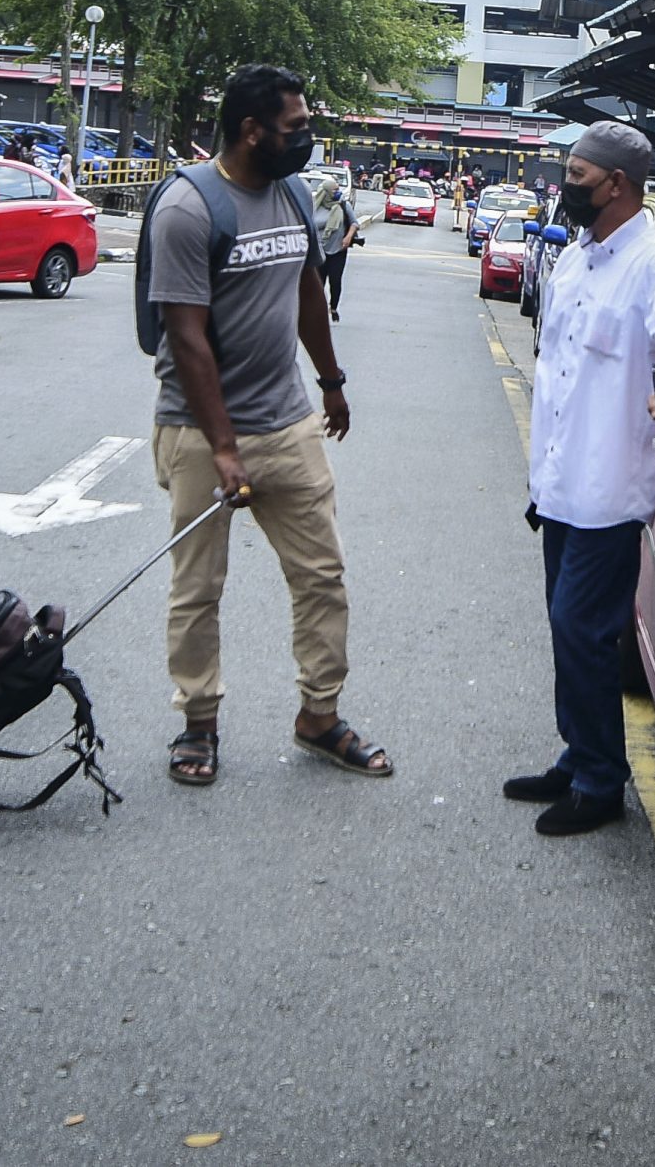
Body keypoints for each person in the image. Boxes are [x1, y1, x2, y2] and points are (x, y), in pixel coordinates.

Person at [147, 63, 388, 787]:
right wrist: (223, 448)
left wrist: (333, 381)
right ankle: (199, 723)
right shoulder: (188, 210)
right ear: (252, 132)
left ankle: (319, 716)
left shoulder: (289, 192)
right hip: (200, 432)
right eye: (295, 127)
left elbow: (309, 287)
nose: (306, 137)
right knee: (199, 587)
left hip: (288, 424)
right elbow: (186, 338)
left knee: (323, 577)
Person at [504, 120, 655, 836]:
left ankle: (599, 782)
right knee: (566, 627)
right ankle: (576, 753)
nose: (567, 188)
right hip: (558, 478)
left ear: (617, 184)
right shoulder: (579, 258)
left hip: (611, 485)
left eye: (578, 178)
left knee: (581, 628)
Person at [314, 178, 357, 322]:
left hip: (338, 249)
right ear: (325, 192)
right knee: (318, 281)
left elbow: (354, 223)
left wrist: (348, 237)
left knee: (335, 279)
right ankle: (317, 309)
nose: (337, 192)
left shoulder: (343, 205)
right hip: (319, 250)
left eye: (338, 189)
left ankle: (333, 307)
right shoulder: (315, 206)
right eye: (334, 190)